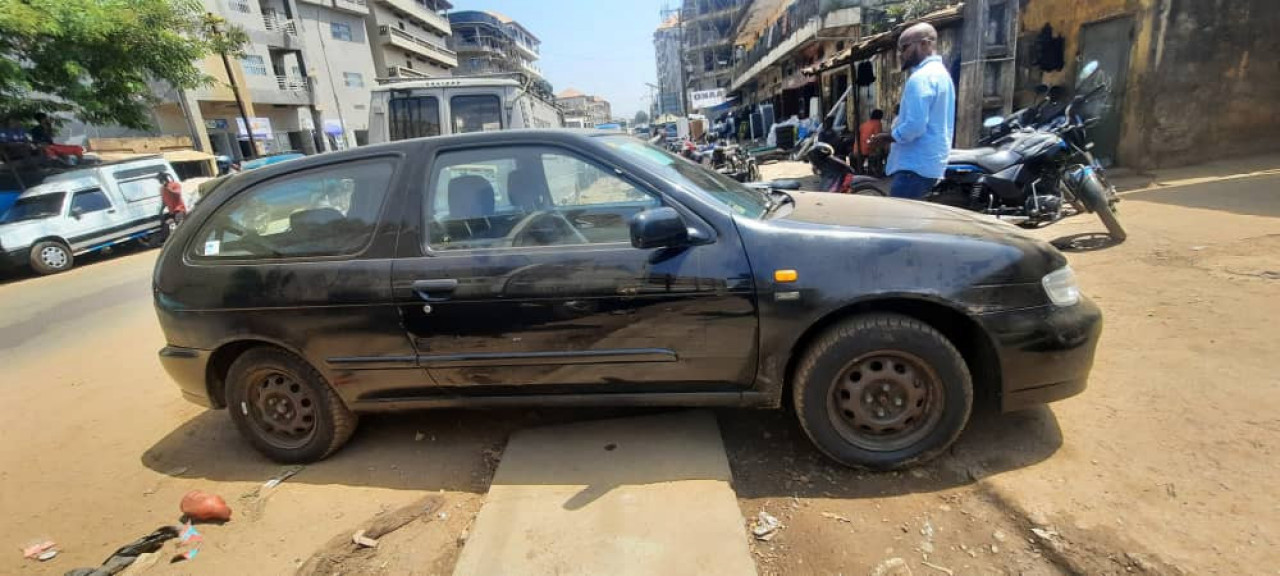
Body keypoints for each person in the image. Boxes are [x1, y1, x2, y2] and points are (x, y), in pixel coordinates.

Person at [870, 23, 956, 199]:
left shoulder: (921, 78)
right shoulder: (941, 74)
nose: (901, 55)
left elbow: (915, 126)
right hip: (927, 165)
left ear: (925, 44)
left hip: (914, 167)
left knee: (899, 223)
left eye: (904, 48)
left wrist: (888, 136)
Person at [857, 109, 886, 173]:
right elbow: (878, 137)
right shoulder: (877, 123)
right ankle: (877, 170)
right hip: (869, 148)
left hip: (859, 148)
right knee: (883, 153)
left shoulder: (865, 124)